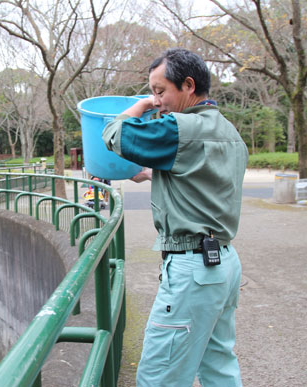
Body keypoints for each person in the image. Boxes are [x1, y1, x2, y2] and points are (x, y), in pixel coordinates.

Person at [103, 48, 248, 386]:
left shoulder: (178, 128)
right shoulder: (229, 133)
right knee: (218, 365)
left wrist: (136, 107)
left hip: (193, 269)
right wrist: (156, 175)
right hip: (224, 264)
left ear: (187, 85)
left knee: (159, 376)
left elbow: (114, 134)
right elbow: (206, 183)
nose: (156, 101)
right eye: (152, 94)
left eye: (159, 91)